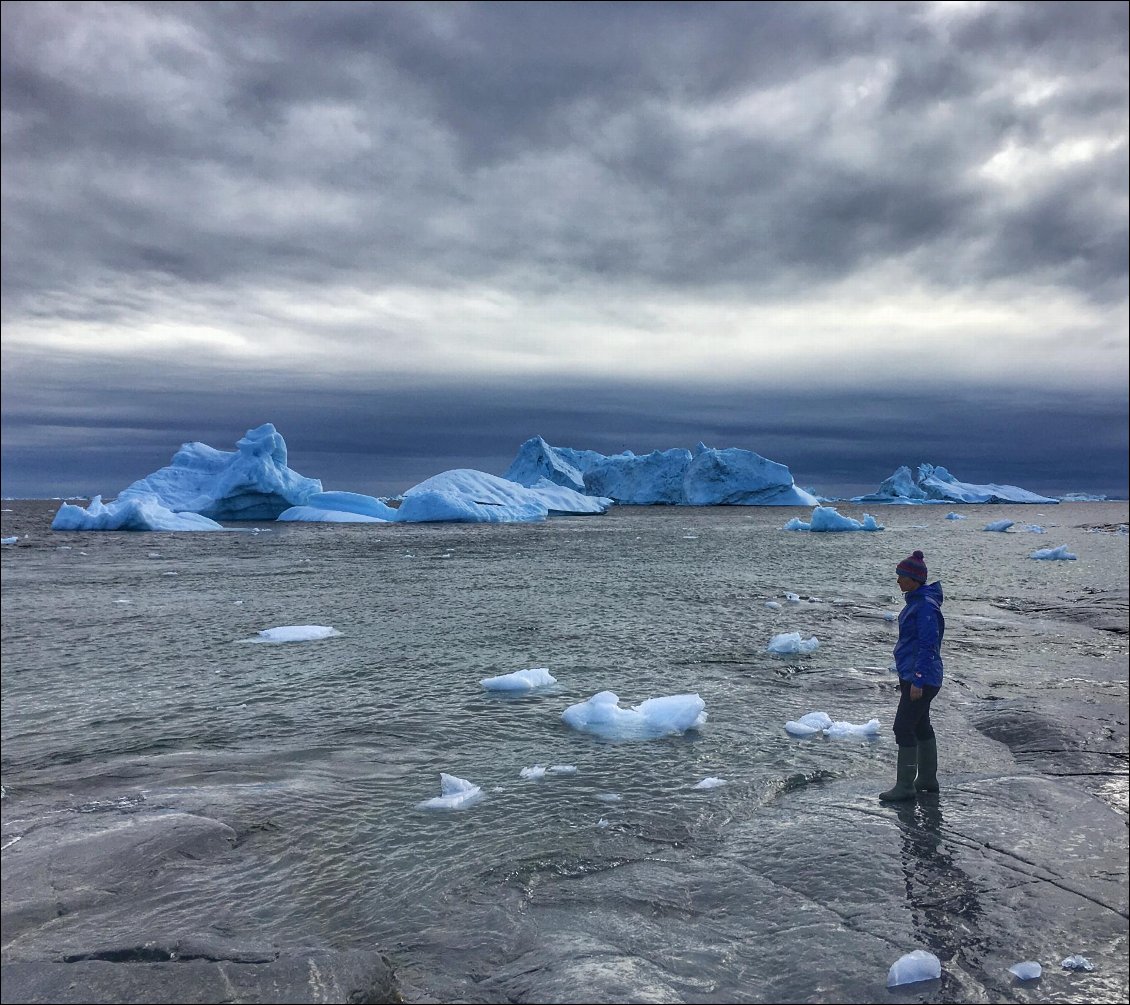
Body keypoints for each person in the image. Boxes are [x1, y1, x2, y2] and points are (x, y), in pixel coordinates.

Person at [880, 550, 944, 802]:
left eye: (901, 576)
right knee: (920, 725)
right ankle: (927, 780)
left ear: (914, 579)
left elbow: (929, 644)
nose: (898, 581)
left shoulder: (925, 607)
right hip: (915, 674)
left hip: (922, 678)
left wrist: (918, 678)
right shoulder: (918, 602)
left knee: (903, 727)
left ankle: (905, 786)